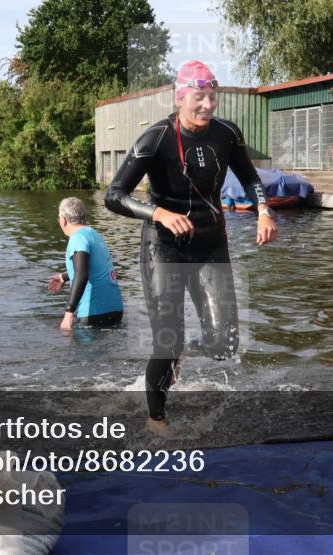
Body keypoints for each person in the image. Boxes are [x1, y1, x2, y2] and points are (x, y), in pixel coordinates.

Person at [105, 60, 278, 434]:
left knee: (225, 344)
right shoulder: (156, 138)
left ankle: (185, 350)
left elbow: (250, 178)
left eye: (212, 97)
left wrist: (263, 210)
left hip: (211, 244)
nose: (207, 105)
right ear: (180, 98)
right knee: (167, 340)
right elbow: (113, 196)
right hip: (164, 248)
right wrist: (158, 214)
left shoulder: (227, 134)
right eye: (198, 97)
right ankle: (157, 418)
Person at [47, 197, 124, 331]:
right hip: (116, 310)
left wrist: (69, 312)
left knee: (79, 350)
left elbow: (81, 274)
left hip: (94, 312)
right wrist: (63, 277)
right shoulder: (94, 234)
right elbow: (94, 268)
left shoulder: (77, 238)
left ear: (63, 220)